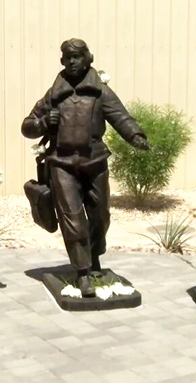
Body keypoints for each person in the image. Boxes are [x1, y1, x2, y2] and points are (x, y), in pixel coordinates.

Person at [21, 39, 149, 297]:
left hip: (95, 162)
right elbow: (27, 126)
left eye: (77, 57)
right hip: (62, 163)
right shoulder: (53, 95)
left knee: (100, 215)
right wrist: (44, 122)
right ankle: (82, 272)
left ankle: (94, 254)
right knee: (73, 218)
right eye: (67, 57)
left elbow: (120, 116)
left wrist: (135, 136)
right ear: (62, 61)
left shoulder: (100, 92)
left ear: (88, 58)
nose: (72, 61)